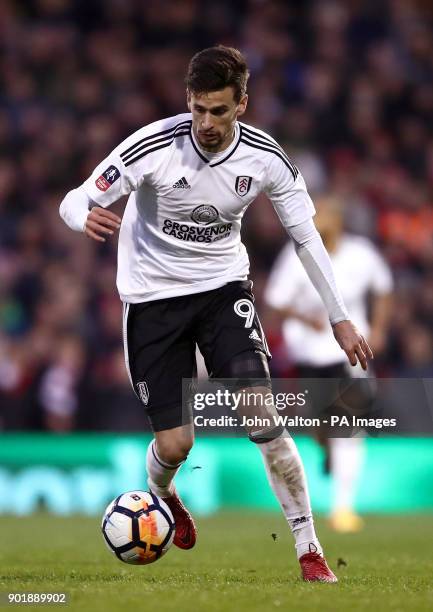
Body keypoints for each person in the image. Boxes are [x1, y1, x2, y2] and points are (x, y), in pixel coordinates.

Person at [59, 46, 372, 582]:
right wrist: (83, 217)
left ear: (242, 105)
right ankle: (162, 493)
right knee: (177, 444)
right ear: (188, 100)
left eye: (219, 111)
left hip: (223, 290)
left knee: (263, 417)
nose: (206, 122)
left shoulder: (266, 158)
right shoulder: (153, 146)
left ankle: (309, 548)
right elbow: (74, 197)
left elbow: (306, 238)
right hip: (152, 300)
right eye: (199, 108)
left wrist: (339, 316)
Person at [265, 195, 393, 532]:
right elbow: (275, 302)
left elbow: (383, 289)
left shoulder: (361, 253)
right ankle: (327, 448)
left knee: (349, 424)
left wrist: (378, 329)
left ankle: (343, 508)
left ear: (339, 221)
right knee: (320, 426)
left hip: (350, 351)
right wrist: (306, 320)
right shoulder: (295, 256)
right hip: (309, 354)